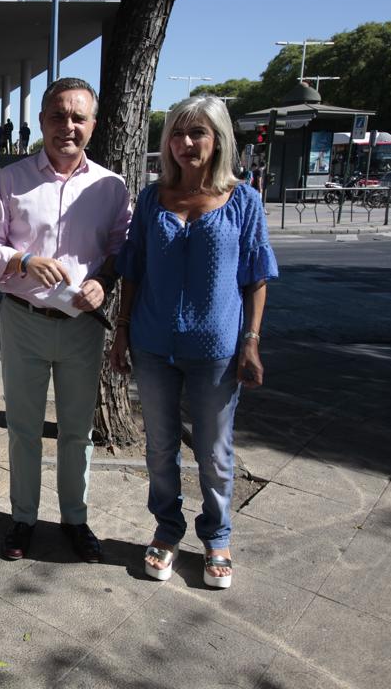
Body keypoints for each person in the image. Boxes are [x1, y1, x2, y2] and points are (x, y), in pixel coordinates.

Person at [109, 95, 278, 590]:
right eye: (177, 135)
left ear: (218, 138)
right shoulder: (150, 199)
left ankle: (217, 535)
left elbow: (256, 278)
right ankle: (167, 528)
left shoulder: (243, 200)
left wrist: (251, 340)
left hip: (217, 350)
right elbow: (132, 271)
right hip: (152, 344)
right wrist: (121, 331)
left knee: (215, 451)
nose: (185, 144)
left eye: (197, 133)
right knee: (160, 449)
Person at [0, 77, 132, 563]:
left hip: (83, 327)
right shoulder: (12, 179)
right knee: (22, 427)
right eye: (58, 116)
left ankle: (75, 519)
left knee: (77, 430)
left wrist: (104, 280)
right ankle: (22, 518)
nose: (68, 126)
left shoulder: (110, 186)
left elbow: (119, 250)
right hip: (24, 320)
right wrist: (21, 261)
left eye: (78, 117)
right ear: (42, 121)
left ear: (93, 125)